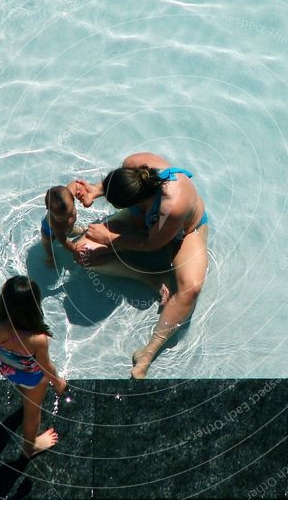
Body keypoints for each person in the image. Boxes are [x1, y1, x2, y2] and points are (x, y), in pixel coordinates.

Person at [71, 151, 209, 379]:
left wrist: (110, 239)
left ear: (134, 199)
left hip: (184, 232)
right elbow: (117, 183)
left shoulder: (173, 204)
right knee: (82, 254)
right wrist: (96, 190)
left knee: (191, 288)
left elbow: (151, 243)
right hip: (146, 227)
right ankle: (152, 278)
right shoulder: (134, 166)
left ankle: (148, 352)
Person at [0, 276, 67, 457]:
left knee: (23, 388)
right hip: (32, 378)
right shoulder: (37, 338)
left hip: (7, 369)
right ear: (34, 306)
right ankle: (30, 446)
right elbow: (45, 365)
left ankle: (23, 390)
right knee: (32, 411)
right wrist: (58, 382)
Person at [40, 184, 84, 268]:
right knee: (47, 243)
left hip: (66, 229)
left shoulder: (68, 198)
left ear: (73, 200)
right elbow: (63, 241)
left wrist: (83, 192)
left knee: (72, 230)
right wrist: (74, 248)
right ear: (48, 209)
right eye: (61, 219)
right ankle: (50, 256)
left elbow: (74, 186)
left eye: (70, 214)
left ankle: (82, 230)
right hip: (48, 230)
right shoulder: (56, 224)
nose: (68, 220)